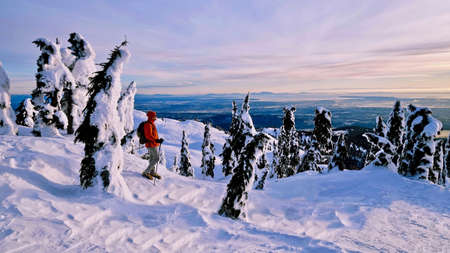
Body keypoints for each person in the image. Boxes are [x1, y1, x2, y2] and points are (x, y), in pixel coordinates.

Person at [142, 111, 164, 179]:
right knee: (156, 158)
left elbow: (152, 135)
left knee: (152, 158)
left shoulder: (151, 124)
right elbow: (149, 136)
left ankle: (152, 171)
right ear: (151, 117)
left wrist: (157, 140)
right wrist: (156, 140)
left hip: (153, 144)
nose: (155, 117)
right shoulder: (148, 124)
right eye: (154, 116)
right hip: (152, 144)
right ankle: (146, 172)